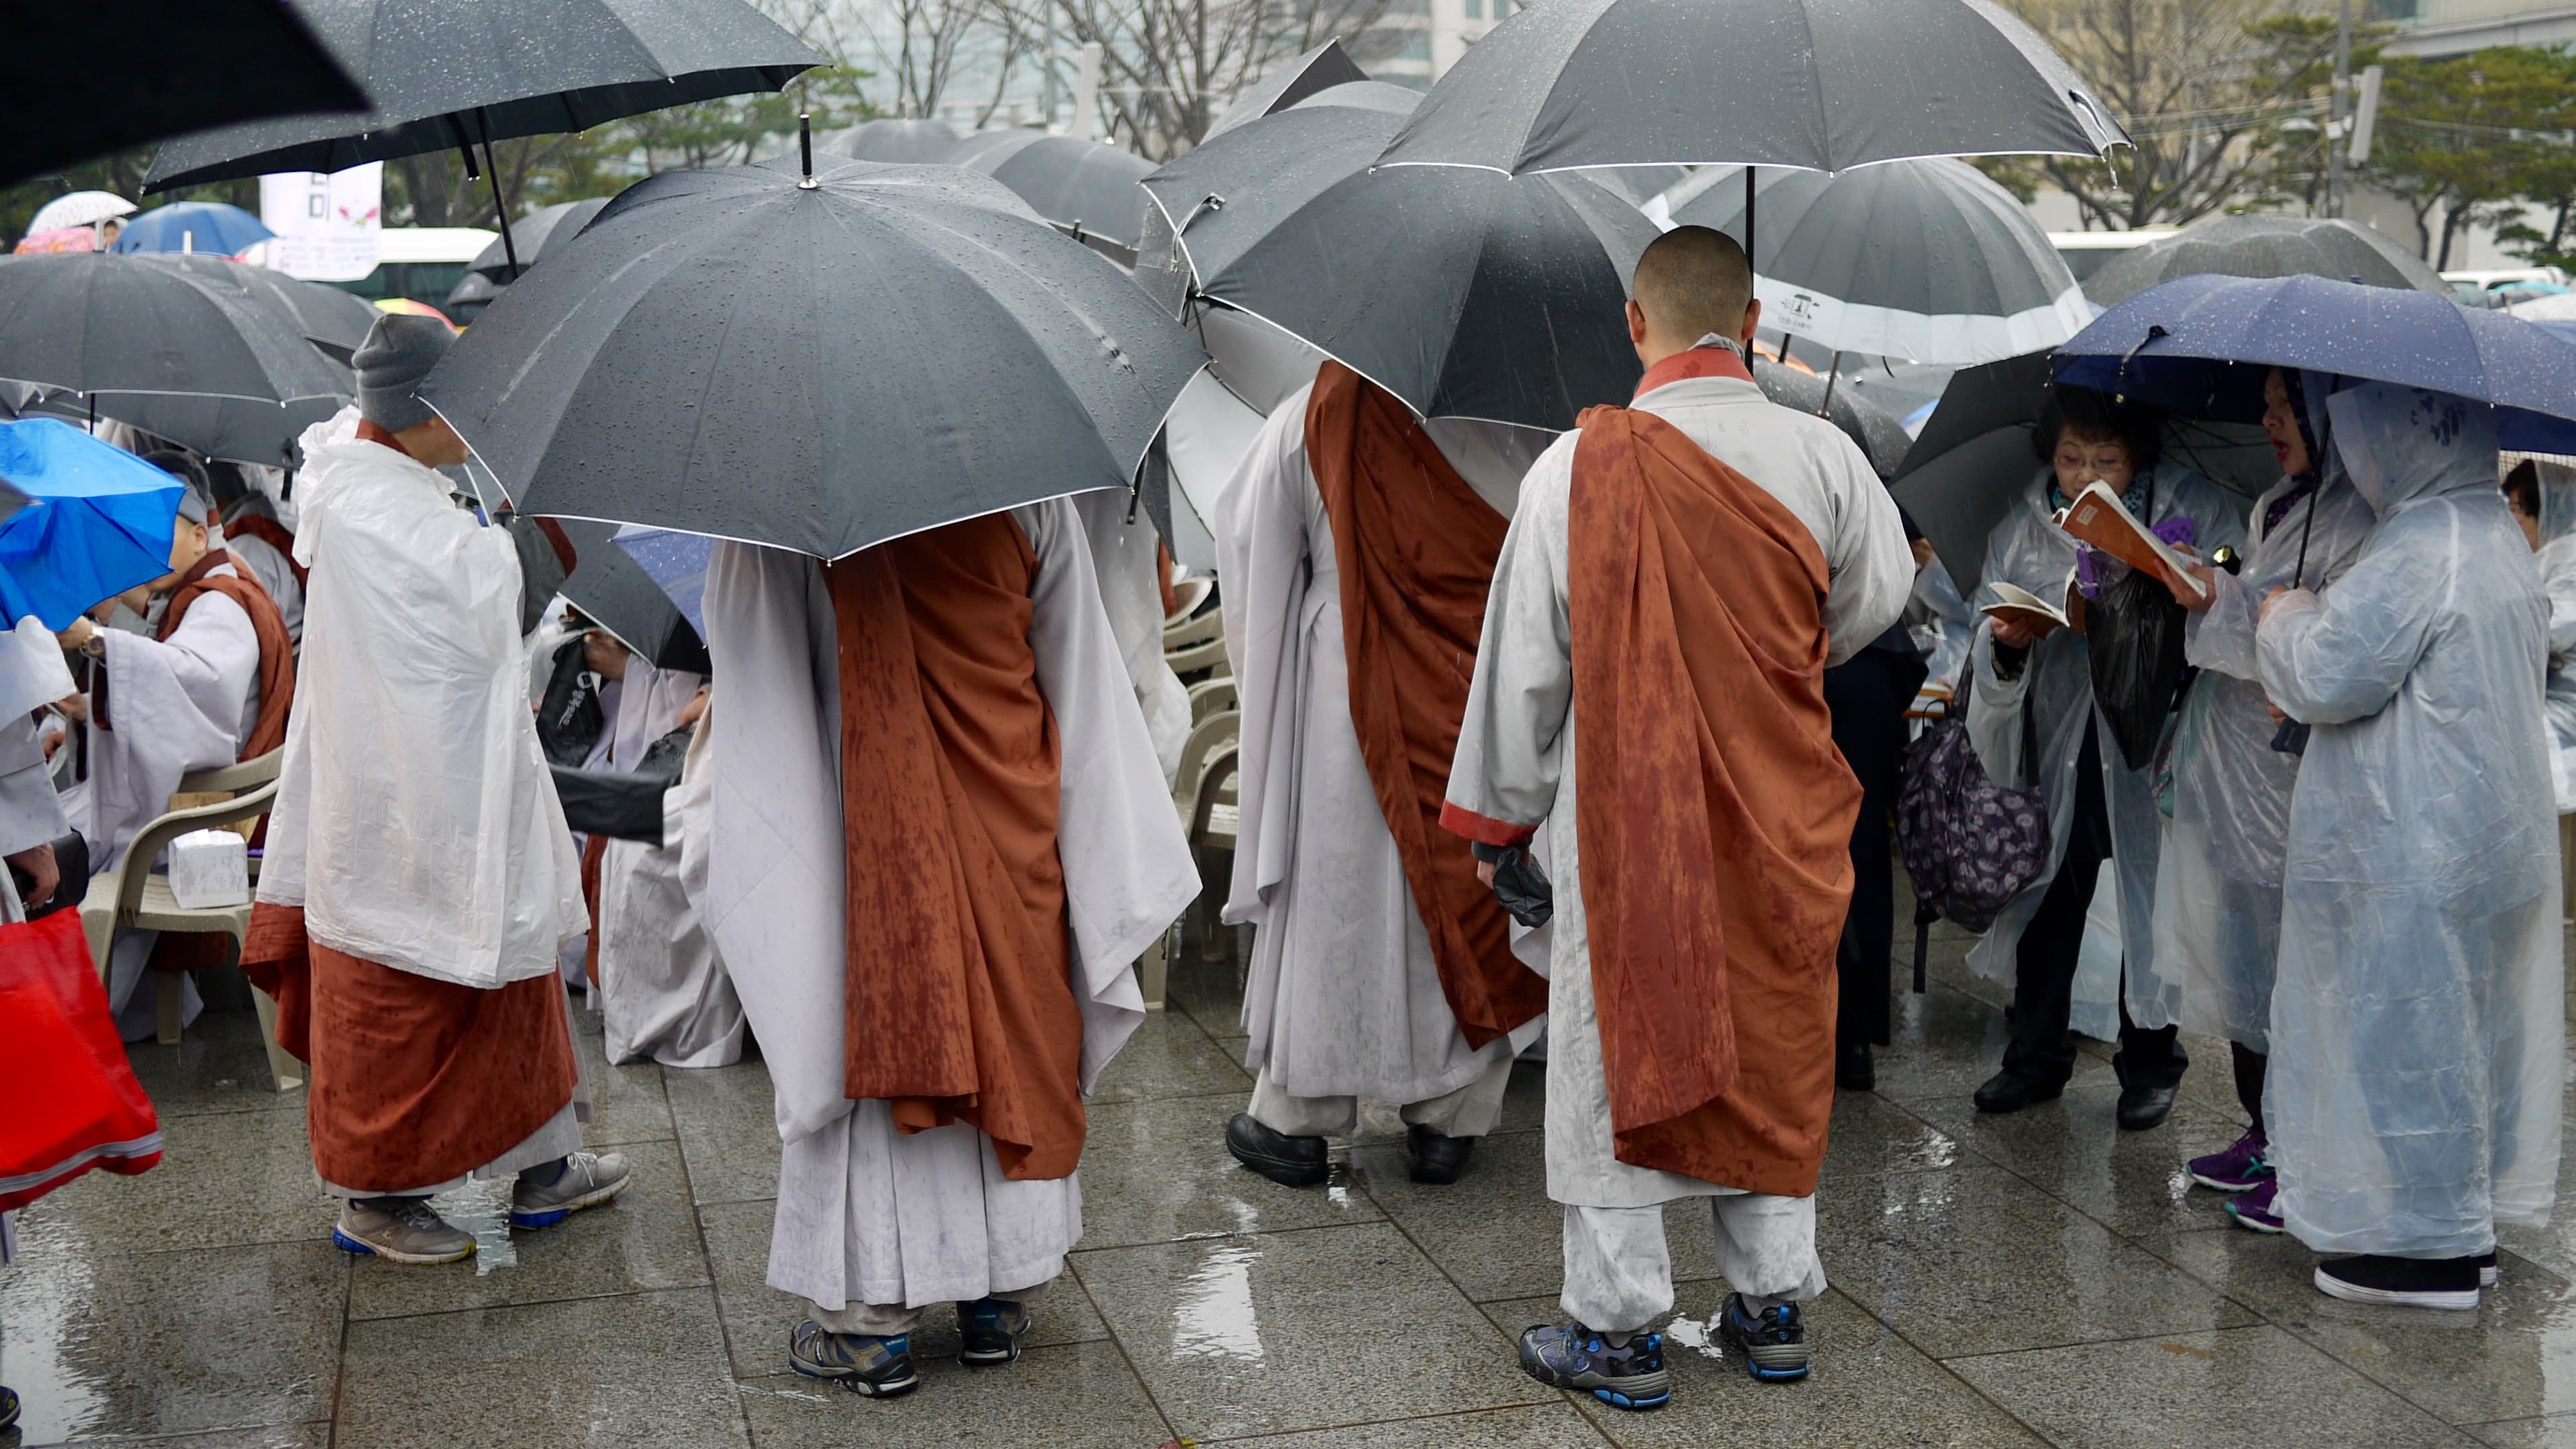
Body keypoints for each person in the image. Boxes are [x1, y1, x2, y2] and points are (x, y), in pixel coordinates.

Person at [1442, 226, 1911, 1402]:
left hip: (1624, 820)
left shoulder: (1573, 470)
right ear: (1751, 325)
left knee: (1616, 1047)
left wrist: (1499, 824)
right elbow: (1873, 604)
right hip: (1783, 809)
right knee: (1773, 1043)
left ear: (1634, 325)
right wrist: (1769, 668)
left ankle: (1619, 1333)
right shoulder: (1826, 455)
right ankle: (1771, 1308)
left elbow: (1524, 670)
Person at [700, 498, 1197, 1399]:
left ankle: (873, 1327)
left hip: (860, 824)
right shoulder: (1024, 483)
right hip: (1013, 810)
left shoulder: (783, 503)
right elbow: (1084, 674)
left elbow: (758, 691)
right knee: (1020, 1029)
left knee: (867, 1043)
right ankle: (997, 1300)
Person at [239, 313, 623, 1267]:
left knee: (514, 968)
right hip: (395, 790)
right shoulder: (374, 506)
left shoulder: (370, 470)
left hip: (453, 768)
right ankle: (376, 1196)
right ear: (421, 411)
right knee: (397, 979)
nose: (479, 424)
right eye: (467, 408)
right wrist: (540, 513)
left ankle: (546, 1163)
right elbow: (493, 600)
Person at [1214, 354, 1555, 1189]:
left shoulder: (1315, 412)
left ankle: (1299, 1117)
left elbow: (1249, 545)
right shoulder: (1521, 421)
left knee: (1335, 893)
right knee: (1468, 880)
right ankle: (1451, 1120)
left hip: (1346, 676)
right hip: (1476, 680)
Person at [2257, 381, 2563, 1309]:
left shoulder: (2422, 544)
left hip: (2414, 841)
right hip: (2484, 834)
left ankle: (2424, 1254)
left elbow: (2327, 674)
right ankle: (2464, 1232)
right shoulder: (2492, 532)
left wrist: (2286, 616)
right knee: (2469, 1033)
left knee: (2407, 1033)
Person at [1962, 390, 2243, 1127]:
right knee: (2049, 895)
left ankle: (2150, 1064)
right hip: (2059, 734)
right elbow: (1984, 618)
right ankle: (2034, 1057)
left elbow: (2232, 579)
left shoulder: (2189, 504)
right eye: (2070, 457)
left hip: (2154, 735)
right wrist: (2008, 639)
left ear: (2138, 457)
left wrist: (2186, 580)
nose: (2086, 474)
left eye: (2106, 460)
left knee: (2152, 896)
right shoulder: (2025, 522)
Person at [2151, 370, 2376, 1232]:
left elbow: (2324, 646)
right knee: (2245, 956)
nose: (2270, 418)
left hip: (2298, 777)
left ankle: (2306, 1152)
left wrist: (2256, 613)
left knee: (2303, 967)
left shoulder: (2366, 519)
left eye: (2288, 405)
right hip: (2236, 766)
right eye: (2271, 404)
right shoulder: (2279, 502)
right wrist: (2214, 590)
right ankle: (2264, 1127)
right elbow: (2261, 612)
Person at [62, 464, 294, 1040]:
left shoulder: (221, 602)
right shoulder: (205, 591)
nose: (143, 542)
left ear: (198, 534)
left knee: (49, 842)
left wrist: (96, 639)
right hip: (185, 796)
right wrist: (93, 699)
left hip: (194, 815)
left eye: (159, 528)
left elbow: (198, 686)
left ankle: (58, 1015)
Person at [1826, 519, 1931, 1091]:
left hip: (1811, 663)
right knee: (1859, 851)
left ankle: (1846, 1027)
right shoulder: (1854, 479)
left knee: (1840, 851)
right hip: (1863, 661)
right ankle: (1855, 1032)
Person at [595, 682, 745, 1069]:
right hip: (708, 764)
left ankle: (674, 1019)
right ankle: (632, 1013)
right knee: (628, 842)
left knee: (648, 851)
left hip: (735, 772)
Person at [2503, 458, 2576, 808]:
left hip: (2562, 730)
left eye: (2520, 509)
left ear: (2550, 507)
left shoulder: (2569, 558)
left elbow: (2547, 633)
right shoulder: (2549, 557)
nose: (2514, 520)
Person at [209, 460, 305, 643]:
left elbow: (256, 630)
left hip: (289, 648)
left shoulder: (247, 549)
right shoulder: (257, 526)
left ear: (217, 507)